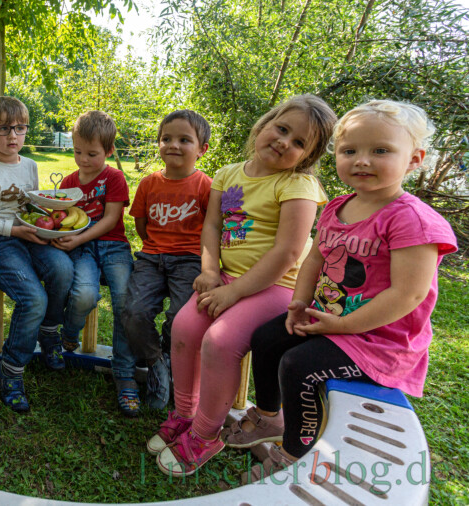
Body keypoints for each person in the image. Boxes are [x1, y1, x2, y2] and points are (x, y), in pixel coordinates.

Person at [221, 100, 457, 481]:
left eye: (380, 150)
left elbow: (407, 296)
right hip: (328, 319)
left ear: (414, 159)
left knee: (298, 366)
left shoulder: (412, 220)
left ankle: (295, 455)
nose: (362, 160)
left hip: (380, 340)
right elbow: (315, 259)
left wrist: (342, 327)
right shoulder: (337, 208)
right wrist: (299, 302)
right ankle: (268, 418)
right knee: (267, 338)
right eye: (350, 151)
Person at [151, 94, 337, 476]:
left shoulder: (298, 186)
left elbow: (287, 254)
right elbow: (213, 227)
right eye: (282, 129)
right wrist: (209, 270)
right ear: (264, 125)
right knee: (185, 327)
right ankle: (185, 414)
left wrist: (234, 292)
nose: (285, 141)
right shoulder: (228, 174)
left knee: (219, 342)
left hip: (276, 287)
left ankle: (206, 434)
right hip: (227, 280)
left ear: (307, 156)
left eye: (300, 142)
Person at [0, 96, 74, 412]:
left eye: (19, 128)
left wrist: (50, 222)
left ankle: (49, 331)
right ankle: (12, 369)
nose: (12, 136)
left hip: (30, 235)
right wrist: (14, 231)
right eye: (3, 128)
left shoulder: (30, 165)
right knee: (33, 298)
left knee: (63, 269)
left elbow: (29, 206)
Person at [123, 110, 213, 412]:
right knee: (134, 312)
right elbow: (141, 223)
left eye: (184, 140)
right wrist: (156, 246)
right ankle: (156, 362)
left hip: (189, 260)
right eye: (166, 139)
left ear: (202, 149)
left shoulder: (206, 186)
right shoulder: (149, 184)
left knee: (181, 319)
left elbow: (218, 227)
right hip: (151, 257)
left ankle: (170, 356)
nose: (173, 145)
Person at [51, 110, 138, 416]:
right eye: (77, 152)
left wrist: (79, 238)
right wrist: (63, 235)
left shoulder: (113, 177)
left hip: (113, 246)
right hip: (82, 250)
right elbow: (62, 217)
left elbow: (113, 218)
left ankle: (124, 372)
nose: (83, 160)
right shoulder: (69, 181)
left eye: (92, 153)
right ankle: (70, 333)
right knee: (85, 294)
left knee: (125, 302)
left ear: (109, 151)